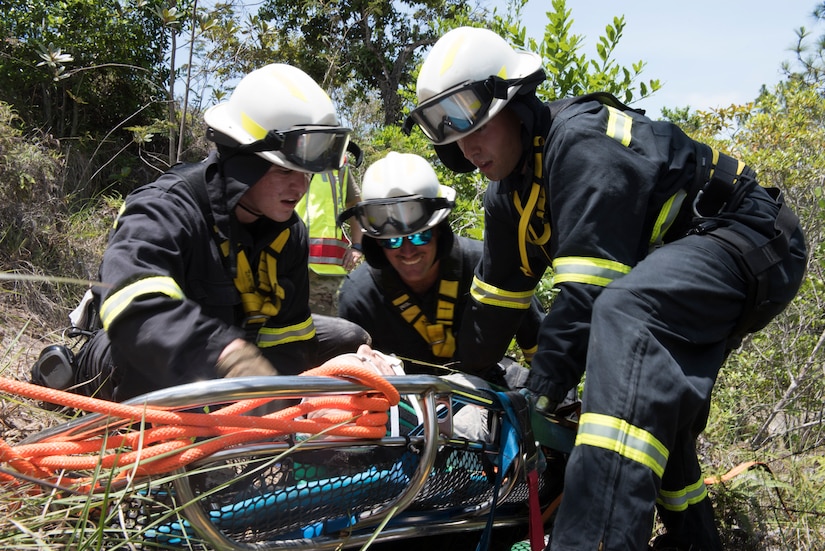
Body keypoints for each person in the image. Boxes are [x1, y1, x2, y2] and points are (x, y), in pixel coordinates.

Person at [403, 26, 807, 551]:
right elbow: (491, 313)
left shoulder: (581, 140)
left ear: (516, 100)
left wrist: (541, 395)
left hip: (751, 238)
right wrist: (453, 387)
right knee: (647, 396)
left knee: (624, 316)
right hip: (687, 269)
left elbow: (590, 298)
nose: (466, 140)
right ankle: (695, 538)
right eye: (449, 129)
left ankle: (590, 540)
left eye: (474, 118)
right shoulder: (506, 199)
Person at [31, 63, 370, 402]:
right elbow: (137, 310)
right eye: (285, 170)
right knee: (157, 365)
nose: (300, 186)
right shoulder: (165, 208)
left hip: (230, 351)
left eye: (308, 172)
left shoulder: (289, 235)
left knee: (347, 339)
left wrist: (291, 398)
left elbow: (288, 341)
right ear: (243, 159)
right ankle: (77, 386)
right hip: (138, 350)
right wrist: (227, 356)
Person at [337, 151, 544, 384]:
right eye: (392, 240)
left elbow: (542, 350)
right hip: (402, 407)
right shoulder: (359, 296)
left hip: (487, 393)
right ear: (376, 243)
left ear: (439, 229)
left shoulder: (490, 269)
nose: (407, 251)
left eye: (420, 237)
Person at [296, 158, 364, 316]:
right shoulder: (288, 152)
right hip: (288, 268)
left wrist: (357, 246)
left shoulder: (339, 162)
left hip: (328, 277)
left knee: (332, 335)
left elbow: (355, 204)